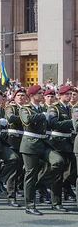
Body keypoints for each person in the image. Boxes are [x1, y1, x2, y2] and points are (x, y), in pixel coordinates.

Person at [20, 85, 67, 215]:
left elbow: (54, 123)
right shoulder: (25, 109)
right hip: (30, 144)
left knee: (58, 161)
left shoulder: (43, 109)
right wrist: (42, 115)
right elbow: (27, 120)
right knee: (31, 174)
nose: (42, 95)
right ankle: (30, 205)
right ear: (32, 96)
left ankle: (42, 184)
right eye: (40, 93)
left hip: (44, 142)